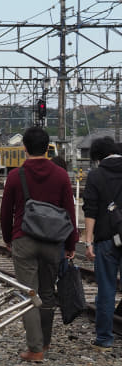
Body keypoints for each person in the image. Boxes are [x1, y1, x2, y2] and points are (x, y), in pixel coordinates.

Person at [0, 126, 79, 362]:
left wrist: (7, 238)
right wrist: (71, 243)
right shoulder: (61, 175)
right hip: (53, 242)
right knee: (47, 293)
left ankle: (34, 349)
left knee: (28, 294)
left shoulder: (16, 176)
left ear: (24, 148)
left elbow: (6, 212)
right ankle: (45, 342)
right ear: (47, 147)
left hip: (24, 239)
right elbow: (70, 212)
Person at [82, 136, 122, 352]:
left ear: (97, 157)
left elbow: (90, 210)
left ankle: (104, 339)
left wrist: (88, 241)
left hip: (106, 239)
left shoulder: (96, 175)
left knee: (106, 290)